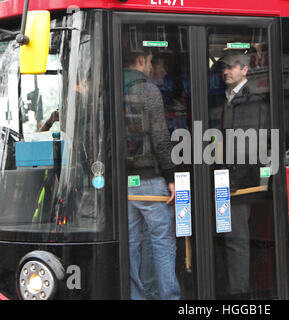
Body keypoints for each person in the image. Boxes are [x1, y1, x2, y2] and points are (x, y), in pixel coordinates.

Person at [123, 43, 180, 300]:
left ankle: (139, 296)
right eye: (150, 60)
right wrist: (171, 177)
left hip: (124, 181)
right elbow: (160, 136)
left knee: (133, 244)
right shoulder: (147, 88)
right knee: (162, 241)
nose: (150, 65)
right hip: (150, 179)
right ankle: (169, 297)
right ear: (141, 59)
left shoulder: (110, 86)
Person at [216, 50, 268, 298]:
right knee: (228, 237)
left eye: (232, 67)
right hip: (227, 179)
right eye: (224, 67)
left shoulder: (250, 100)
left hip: (239, 184)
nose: (226, 71)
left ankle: (239, 295)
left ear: (244, 70)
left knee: (236, 239)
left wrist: (231, 182)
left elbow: (248, 147)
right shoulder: (227, 98)